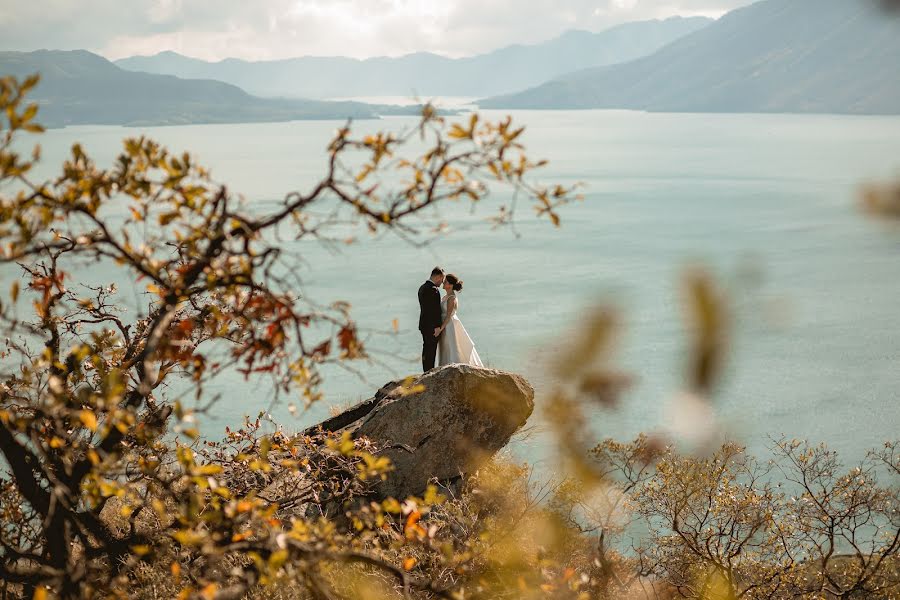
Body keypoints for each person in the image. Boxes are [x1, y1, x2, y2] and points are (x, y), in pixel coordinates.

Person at [437, 274, 484, 367]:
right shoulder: (446, 297)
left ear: (450, 285)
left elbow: (448, 316)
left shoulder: (451, 298)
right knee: (445, 347)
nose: (443, 282)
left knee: (450, 346)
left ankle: (453, 366)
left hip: (449, 325)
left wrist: (440, 328)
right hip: (445, 324)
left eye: (445, 281)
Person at [417, 267, 444, 371]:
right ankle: (429, 371)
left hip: (423, 324)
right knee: (431, 350)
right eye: (442, 280)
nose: (441, 283)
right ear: (438, 277)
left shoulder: (422, 287)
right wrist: (437, 326)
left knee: (426, 348)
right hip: (431, 326)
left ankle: (426, 370)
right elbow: (434, 310)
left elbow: (426, 308)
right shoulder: (433, 290)